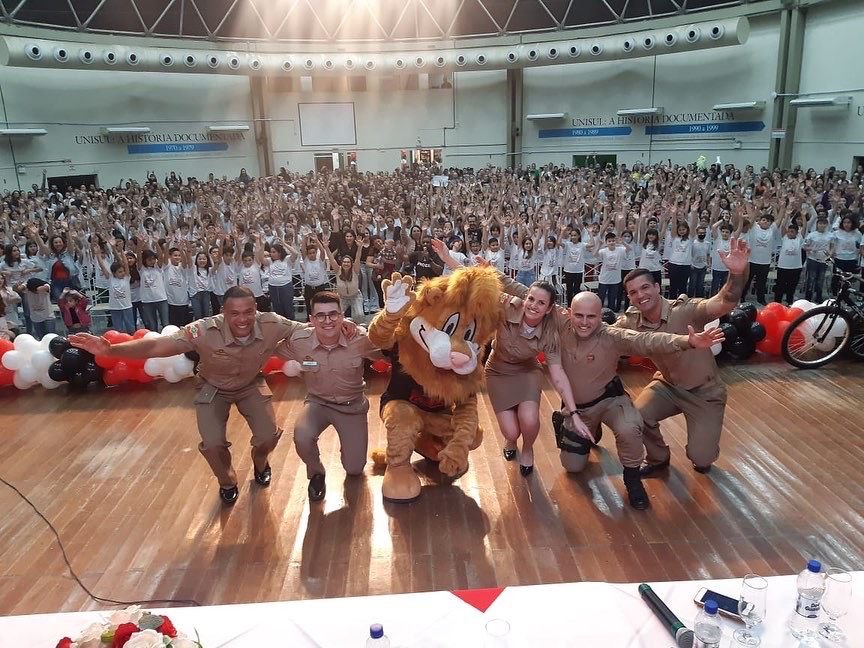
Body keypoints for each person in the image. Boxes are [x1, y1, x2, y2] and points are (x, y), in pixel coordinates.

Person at [68, 286, 353, 505]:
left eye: (248, 312)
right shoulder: (202, 330)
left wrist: (344, 325)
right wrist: (111, 350)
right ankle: (227, 481)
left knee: (268, 436)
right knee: (213, 444)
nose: (242, 319)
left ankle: (260, 462)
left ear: (256, 309)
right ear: (222, 311)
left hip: (250, 383)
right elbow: (157, 347)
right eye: (234, 313)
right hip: (212, 386)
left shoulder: (272, 323)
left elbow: (311, 328)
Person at [552, 291, 723, 509]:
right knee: (573, 466)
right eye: (579, 315)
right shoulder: (560, 325)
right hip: (578, 409)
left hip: (609, 402)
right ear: (569, 313)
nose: (584, 322)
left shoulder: (612, 336)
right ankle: (588, 430)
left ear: (600, 316)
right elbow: (530, 295)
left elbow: (647, 340)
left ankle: (632, 480)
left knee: (629, 427)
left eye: (591, 316)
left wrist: (686, 341)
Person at [618, 236, 750, 476]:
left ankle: (703, 449)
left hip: (705, 393)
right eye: (633, 292)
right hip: (667, 387)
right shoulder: (631, 321)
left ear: (657, 287)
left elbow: (725, 301)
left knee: (702, 459)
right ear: (630, 298)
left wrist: (737, 274)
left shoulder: (686, 310)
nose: (640, 295)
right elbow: (605, 335)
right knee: (636, 417)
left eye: (645, 287)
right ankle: (658, 458)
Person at [277, 291, 380, 501]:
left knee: (355, 469)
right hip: (318, 403)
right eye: (321, 316)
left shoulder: (359, 339)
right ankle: (316, 473)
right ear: (312, 319)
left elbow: (388, 352)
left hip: (352, 407)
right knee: (302, 436)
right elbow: (266, 348)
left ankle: (350, 449)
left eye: (333, 314)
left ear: (342, 316)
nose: (327, 321)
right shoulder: (299, 341)